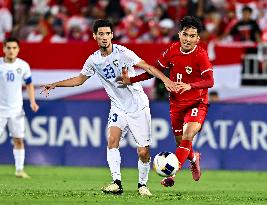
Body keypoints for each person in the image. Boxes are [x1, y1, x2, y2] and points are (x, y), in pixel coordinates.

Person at [40, 19, 177, 195]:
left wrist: (165, 80)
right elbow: (80, 80)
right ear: (95, 36)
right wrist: (55, 84)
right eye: (101, 34)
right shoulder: (93, 60)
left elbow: (148, 67)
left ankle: (142, 185)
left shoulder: (123, 53)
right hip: (118, 107)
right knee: (112, 141)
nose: (105, 37)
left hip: (138, 106)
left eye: (107, 34)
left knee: (143, 152)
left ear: (112, 35)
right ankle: (117, 182)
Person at [119, 16, 214, 187]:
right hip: (176, 104)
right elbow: (153, 71)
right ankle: (194, 158)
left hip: (197, 103)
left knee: (188, 135)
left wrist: (190, 85)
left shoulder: (201, 55)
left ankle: (172, 174)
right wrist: (131, 80)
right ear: (179, 34)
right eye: (185, 34)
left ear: (198, 39)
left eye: (192, 36)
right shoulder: (172, 50)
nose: (188, 39)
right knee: (181, 142)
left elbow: (209, 81)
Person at [0, 37, 39, 178]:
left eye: (14, 48)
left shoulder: (23, 66)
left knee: (18, 139)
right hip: (0, 110)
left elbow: (29, 84)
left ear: (18, 49)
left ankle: (19, 170)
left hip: (16, 110)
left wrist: (32, 101)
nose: (11, 51)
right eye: (8, 48)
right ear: (4, 48)